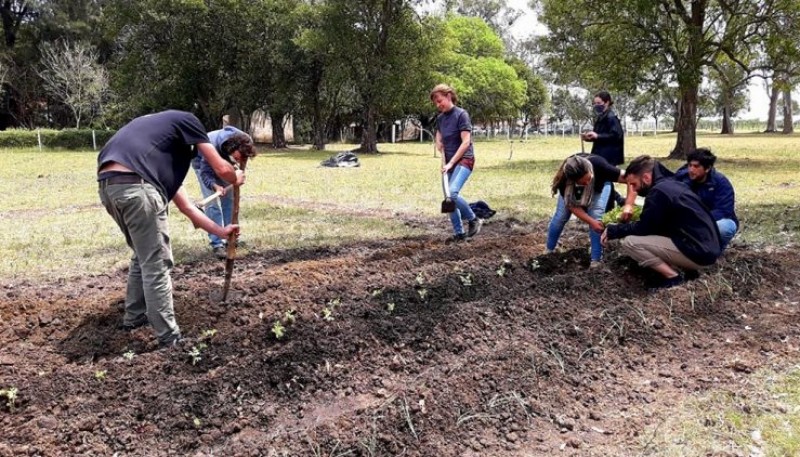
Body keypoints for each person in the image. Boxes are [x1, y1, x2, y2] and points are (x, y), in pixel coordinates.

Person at [97, 110, 245, 348]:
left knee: (143, 255)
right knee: (157, 262)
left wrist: (220, 231)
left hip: (110, 187)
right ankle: (170, 338)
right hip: (137, 188)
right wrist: (235, 175)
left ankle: (134, 318)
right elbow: (222, 169)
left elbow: (187, 208)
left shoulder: (156, 152)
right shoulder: (190, 121)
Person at [602, 155, 722, 290]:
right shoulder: (672, 184)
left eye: (634, 184)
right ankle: (687, 270)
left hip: (699, 253)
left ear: (646, 177)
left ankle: (673, 277)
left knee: (630, 242)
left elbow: (645, 228)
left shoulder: (658, 193)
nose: (634, 190)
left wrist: (615, 230)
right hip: (708, 248)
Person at [545, 153, 635, 268]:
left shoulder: (600, 166)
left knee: (596, 215)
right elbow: (571, 206)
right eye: (583, 182)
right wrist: (591, 222)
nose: (587, 184)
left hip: (600, 185)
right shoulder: (565, 180)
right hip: (573, 190)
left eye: (588, 179)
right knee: (561, 216)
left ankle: (596, 261)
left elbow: (631, 179)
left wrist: (628, 205)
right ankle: (548, 252)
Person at [192, 126, 256, 258]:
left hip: (224, 158)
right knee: (213, 204)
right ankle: (217, 244)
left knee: (229, 200)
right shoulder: (211, 146)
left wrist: (239, 174)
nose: (239, 161)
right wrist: (215, 186)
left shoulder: (245, 142)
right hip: (201, 161)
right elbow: (206, 172)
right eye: (238, 158)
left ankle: (231, 238)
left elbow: (241, 163)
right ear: (232, 148)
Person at [430, 84, 482, 242]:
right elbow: (439, 135)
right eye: (436, 103)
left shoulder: (461, 115)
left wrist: (451, 163)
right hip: (448, 163)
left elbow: (466, 142)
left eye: (440, 101)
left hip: (464, 160)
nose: (439, 105)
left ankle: (473, 219)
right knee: (448, 199)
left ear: (449, 95)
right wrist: (438, 143)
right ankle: (459, 234)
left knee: (452, 193)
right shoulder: (440, 118)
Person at [674, 148, 738, 250]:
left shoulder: (721, 183)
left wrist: (700, 220)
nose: (691, 169)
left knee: (725, 228)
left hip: (711, 220)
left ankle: (716, 251)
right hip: (686, 222)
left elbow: (723, 211)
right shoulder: (681, 179)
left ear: (707, 168)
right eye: (690, 165)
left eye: (696, 166)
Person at [581, 90, 625, 209]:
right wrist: (590, 137)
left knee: (605, 181)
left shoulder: (611, 117)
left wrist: (598, 136)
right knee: (604, 180)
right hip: (600, 154)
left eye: (599, 103)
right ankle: (617, 201)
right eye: (594, 103)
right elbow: (600, 135)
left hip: (609, 156)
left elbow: (617, 135)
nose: (596, 106)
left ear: (607, 102)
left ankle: (611, 205)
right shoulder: (602, 117)